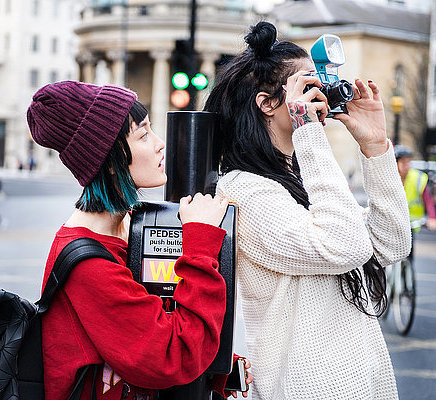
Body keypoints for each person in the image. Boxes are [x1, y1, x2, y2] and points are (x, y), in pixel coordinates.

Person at [204, 22, 411, 399]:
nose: (320, 95)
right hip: (310, 387)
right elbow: (344, 246)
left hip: (362, 380)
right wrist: (308, 133)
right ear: (267, 103)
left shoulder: (301, 178)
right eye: (306, 86)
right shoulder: (243, 190)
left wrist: (376, 147)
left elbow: (390, 244)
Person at [26, 81, 252, 400]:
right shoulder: (89, 265)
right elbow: (173, 356)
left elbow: (145, 330)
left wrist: (216, 372)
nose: (160, 144)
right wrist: (201, 242)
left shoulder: (125, 226)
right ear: (110, 158)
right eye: (143, 134)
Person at [394, 144, 436, 261]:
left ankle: (409, 274)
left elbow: (427, 200)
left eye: (408, 162)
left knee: (409, 253)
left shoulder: (417, 178)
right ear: (395, 163)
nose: (407, 166)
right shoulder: (389, 178)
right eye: (403, 162)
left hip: (411, 223)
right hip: (392, 223)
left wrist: (432, 218)